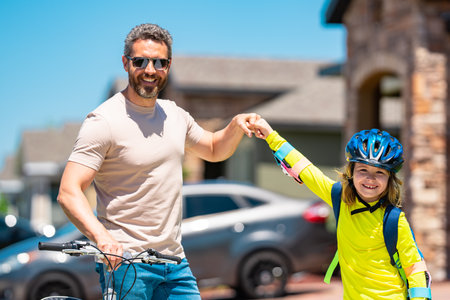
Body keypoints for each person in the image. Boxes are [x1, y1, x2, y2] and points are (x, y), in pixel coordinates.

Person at [57, 23, 260, 299]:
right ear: (126, 63)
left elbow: (213, 148)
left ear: (168, 65)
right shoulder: (103, 121)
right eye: (140, 61)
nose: (150, 70)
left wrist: (235, 125)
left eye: (159, 62)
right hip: (126, 265)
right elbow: (69, 192)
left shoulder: (174, 115)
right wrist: (101, 237)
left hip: (175, 263)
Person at [251, 119, 431, 300]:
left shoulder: (393, 219)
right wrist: (270, 135)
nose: (370, 179)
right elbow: (306, 170)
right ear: (351, 172)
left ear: (390, 179)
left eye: (380, 172)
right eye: (363, 170)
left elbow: (415, 268)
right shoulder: (340, 198)